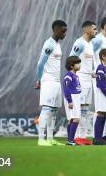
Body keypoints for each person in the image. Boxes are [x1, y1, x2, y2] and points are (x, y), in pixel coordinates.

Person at [36, 19, 68, 147]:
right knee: (47, 109)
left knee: (54, 110)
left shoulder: (57, 44)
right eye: (63, 31)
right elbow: (40, 63)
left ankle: (50, 138)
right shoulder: (49, 44)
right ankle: (41, 139)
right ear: (55, 30)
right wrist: (39, 79)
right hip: (48, 80)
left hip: (56, 81)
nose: (64, 34)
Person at [69, 21, 97, 144]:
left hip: (88, 80)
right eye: (94, 29)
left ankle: (83, 136)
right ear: (86, 30)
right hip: (79, 78)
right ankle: (74, 136)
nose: (96, 31)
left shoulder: (90, 44)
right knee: (78, 109)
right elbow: (71, 59)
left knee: (85, 109)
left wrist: (91, 72)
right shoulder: (79, 43)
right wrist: (73, 77)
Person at [91, 17, 106, 140]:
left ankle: (104, 135)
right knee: (100, 109)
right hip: (100, 77)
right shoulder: (98, 40)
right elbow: (89, 52)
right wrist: (92, 70)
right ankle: (97, 137)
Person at [63, 56, 82, 146]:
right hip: (72, 98)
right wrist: (69, 100)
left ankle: (70, 140)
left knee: (72, 119)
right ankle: (71, 140)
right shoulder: (68, 75)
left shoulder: (75, 75)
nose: (79, 65)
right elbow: (66, 88)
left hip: (76, 97)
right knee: (76, 119)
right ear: (71, 66)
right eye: (77, 63)